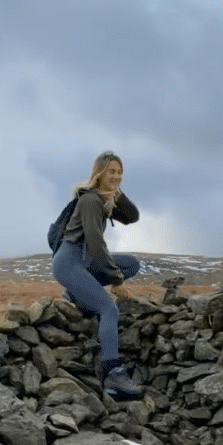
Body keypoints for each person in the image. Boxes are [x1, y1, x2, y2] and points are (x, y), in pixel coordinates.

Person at [53, 150, 144, 399]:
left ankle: (75, 293)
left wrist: (118, 194)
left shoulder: (104, 199)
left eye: (119, 172)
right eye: (111, 171)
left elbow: (132, 217)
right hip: (70, 262)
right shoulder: (91, 201)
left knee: (132, 264)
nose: (116, 176)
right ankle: (114, 376)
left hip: (83, 262)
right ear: (99, 173)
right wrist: (115, 280)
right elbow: (95, 243)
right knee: (108, 309)